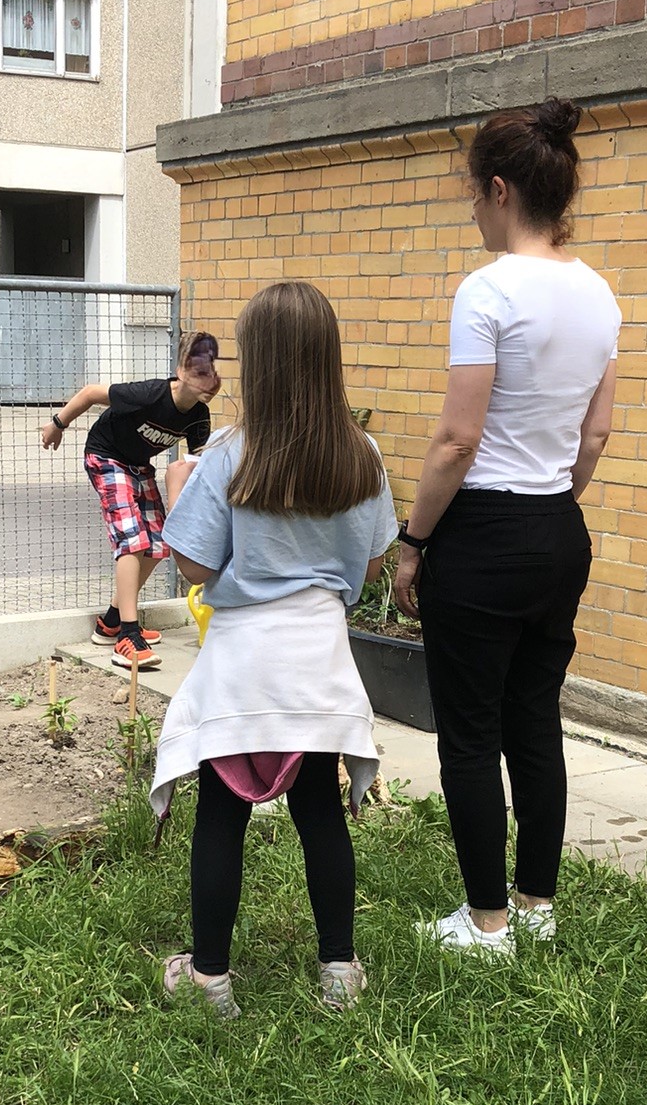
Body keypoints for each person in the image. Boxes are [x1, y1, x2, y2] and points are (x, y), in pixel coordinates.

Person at [394, 99, 620, 952]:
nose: (473, 212)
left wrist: (413, 543)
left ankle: (486, 921)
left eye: (473, 196)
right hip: (559, 529)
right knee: (534, 718)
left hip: (483, 535)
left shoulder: (487, 290)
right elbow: (595, 435)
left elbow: (457, 440)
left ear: (498, 190)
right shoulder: (599, 294)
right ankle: (535, 906)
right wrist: (555, 501)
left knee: (469, 732)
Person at [149, 280, 398, 1016]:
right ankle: (339, 971)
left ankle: (210, 980)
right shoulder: (363, 455)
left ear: (257, 361)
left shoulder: (229, 453)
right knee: (319, 811)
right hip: (319, 661)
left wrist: (180, 496)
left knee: (221, 814)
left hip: (243, 663)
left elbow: (193, 565)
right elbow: (371, 566)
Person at [41, 332, 221, 673]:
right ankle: (128, 635)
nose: (210, 381)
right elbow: (90, 393)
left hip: (137, 466)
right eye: (200, 372)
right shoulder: (150, 395)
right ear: (181, 372)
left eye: (213, 371)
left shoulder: (199, 416)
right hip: (106, 456)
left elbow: (199, 466)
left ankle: (111, 622)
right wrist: (57, 424)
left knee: (159, 542)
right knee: (132, 539)